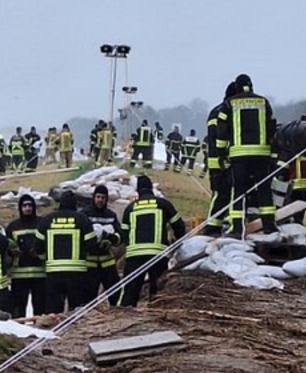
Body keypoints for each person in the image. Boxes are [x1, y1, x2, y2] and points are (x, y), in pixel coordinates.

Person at [215, 73, 279, 235]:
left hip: (239, 156)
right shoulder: (263, 102)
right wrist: (272, 152)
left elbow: (221, 131)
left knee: (239, 191)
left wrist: (221, 154)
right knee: (264, 190)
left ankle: (237, 228)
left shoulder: (229, 104)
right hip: (262, 155)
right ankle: (269, 226)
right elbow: (272, 127)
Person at [120, 175, 186, 307]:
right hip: (158, 254)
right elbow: (179, 226)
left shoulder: (130, 208)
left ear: (137, 191)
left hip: (135, 255)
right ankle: (155, 315)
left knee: (130, 291)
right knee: (159, 290)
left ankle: (123, 317)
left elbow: (123, 234)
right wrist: (175, 241)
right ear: (151, 188)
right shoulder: (163, 204)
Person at [37, 191, 94, 313]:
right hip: (77, 272)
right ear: (75, 204)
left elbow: (38, 248)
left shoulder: (47, 220)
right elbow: (91, 245)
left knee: (53, 310)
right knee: (77, 311)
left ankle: (54, 331)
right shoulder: (82, 220)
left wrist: (44, 259)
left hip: (53, 273)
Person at [202, 82, 238, 236]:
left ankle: (215, 225)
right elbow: (225, 135)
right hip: (225, 159)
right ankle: (219, 226)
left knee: (220, 194)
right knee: (226, 193)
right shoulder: (227, 111)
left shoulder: (214, 111)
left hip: (214, 159)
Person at [5, 193, 46, 317]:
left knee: (40, 306)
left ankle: (40, 328)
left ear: (34, 206)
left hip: (40, 272)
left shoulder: (42, 223)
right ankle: (20, 331)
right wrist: (12, 253)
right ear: (20, 208)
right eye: (24, 206)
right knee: (19, 306)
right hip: (19, 274)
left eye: (29, 205)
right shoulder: (13, 226)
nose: (27, 208)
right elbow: (6, 246)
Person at [82, 185, 123, 304]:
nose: (100, 200)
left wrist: (112, 238)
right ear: (94, 197)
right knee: (89, 297)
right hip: (90, 263)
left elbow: (120, 235)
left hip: (107, 262)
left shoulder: (111, 215)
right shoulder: (85, 214)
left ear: (106, 199)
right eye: (98, 197)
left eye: (103, 197)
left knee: (115, 293)